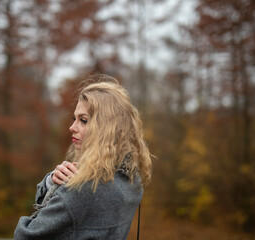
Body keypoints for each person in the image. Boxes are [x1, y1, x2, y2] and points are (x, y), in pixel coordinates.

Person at [14, 74, 152, 240]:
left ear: (106, 128)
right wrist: (52, 181)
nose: (72, 127)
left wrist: (59, 190)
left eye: (84, 120)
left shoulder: (83, 189)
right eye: (75, 119)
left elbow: (25, 235)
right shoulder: (132, 181)